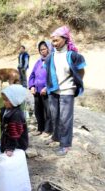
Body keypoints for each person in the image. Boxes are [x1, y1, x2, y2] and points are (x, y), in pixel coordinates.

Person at [44, 26, 86, 156]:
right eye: (53, 41)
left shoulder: (73, 56)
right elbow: (49, 73)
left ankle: (65, 144)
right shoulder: (50, 56)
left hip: (67, 91)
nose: (54, 43)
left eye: (56, 40)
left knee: (65, 119)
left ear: (65, 39)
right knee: (55, 117)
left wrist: (74, 84)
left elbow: (81, 71)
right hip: (53, 91)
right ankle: (56, 137)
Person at [28, 41, 53, 136]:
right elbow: (32, 75)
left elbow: (54, 77)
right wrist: (32, 86)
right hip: (37, 91)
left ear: (48, 49)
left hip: (47, 91)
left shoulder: (52, 61)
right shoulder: (38, 62)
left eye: (44, 49)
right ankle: (40, 128)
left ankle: (48, 130)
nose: (42, 51)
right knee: (38, 111)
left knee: (48, 112)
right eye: (40, 49)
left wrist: (46, 88)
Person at [0, 84, 29, 157]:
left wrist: (10, 148)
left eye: (6, 100)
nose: (4, 102)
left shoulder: (16, 115)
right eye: (3, 99)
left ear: (14, 100)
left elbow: (14, 133)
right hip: (7, 139)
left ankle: (12, 149)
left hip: (17, 144)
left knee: (14, 159)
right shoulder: (6, 110)